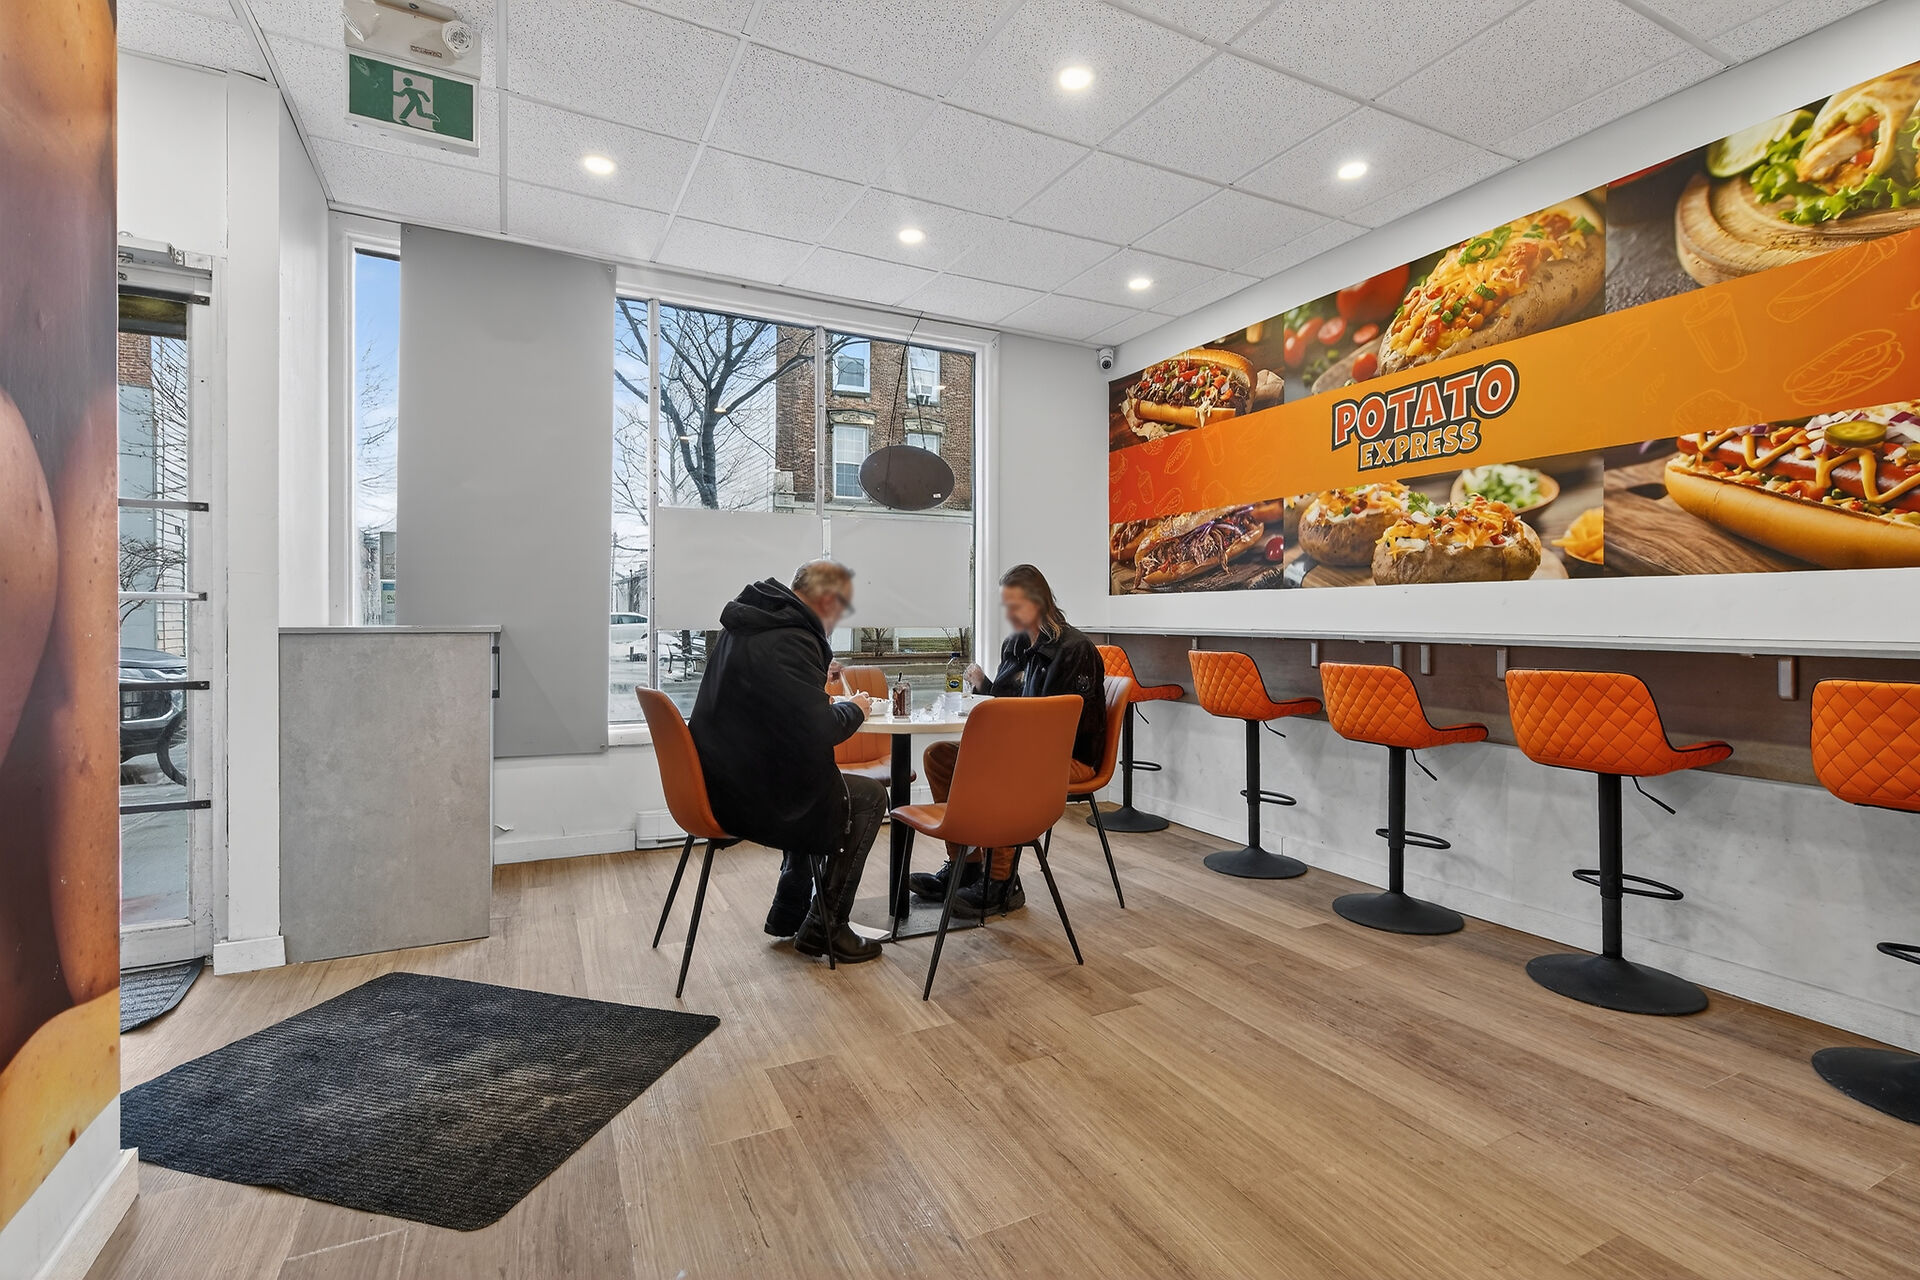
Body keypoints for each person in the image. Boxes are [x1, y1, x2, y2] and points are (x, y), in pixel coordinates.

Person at [691, 560, 887, 963]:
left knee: (814, 775)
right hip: (747, 796)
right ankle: (826, 926)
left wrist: (815, 677)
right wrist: (857, 707)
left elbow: (776, 708)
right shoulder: (791, 639)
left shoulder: (754, 623)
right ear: (827, 599)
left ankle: (789, 910)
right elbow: (821, 731)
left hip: (721, 779)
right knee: (867, 797)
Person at [912, 564, 1106, 918]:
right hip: (1022, 749)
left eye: (1016, 605)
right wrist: (986, 691)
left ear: (1039, 601)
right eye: (1007, 606)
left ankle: (1002, 881)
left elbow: (1064, 723)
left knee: (1001, 766)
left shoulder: (1075, 650)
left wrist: (1006, 744)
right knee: (939, 755)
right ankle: (966, 867)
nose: (1010, 614)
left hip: (1069, 756)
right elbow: (1003, 700)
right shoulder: (1016, 645)